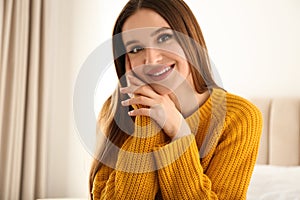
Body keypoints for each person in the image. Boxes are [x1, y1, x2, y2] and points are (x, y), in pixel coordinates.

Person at [90, 0, 262, 199]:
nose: (151, 60)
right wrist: (147, 116)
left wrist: (179, 131)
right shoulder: (114, 111)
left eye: (163, 38)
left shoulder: (238, 118)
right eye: (136, 49)